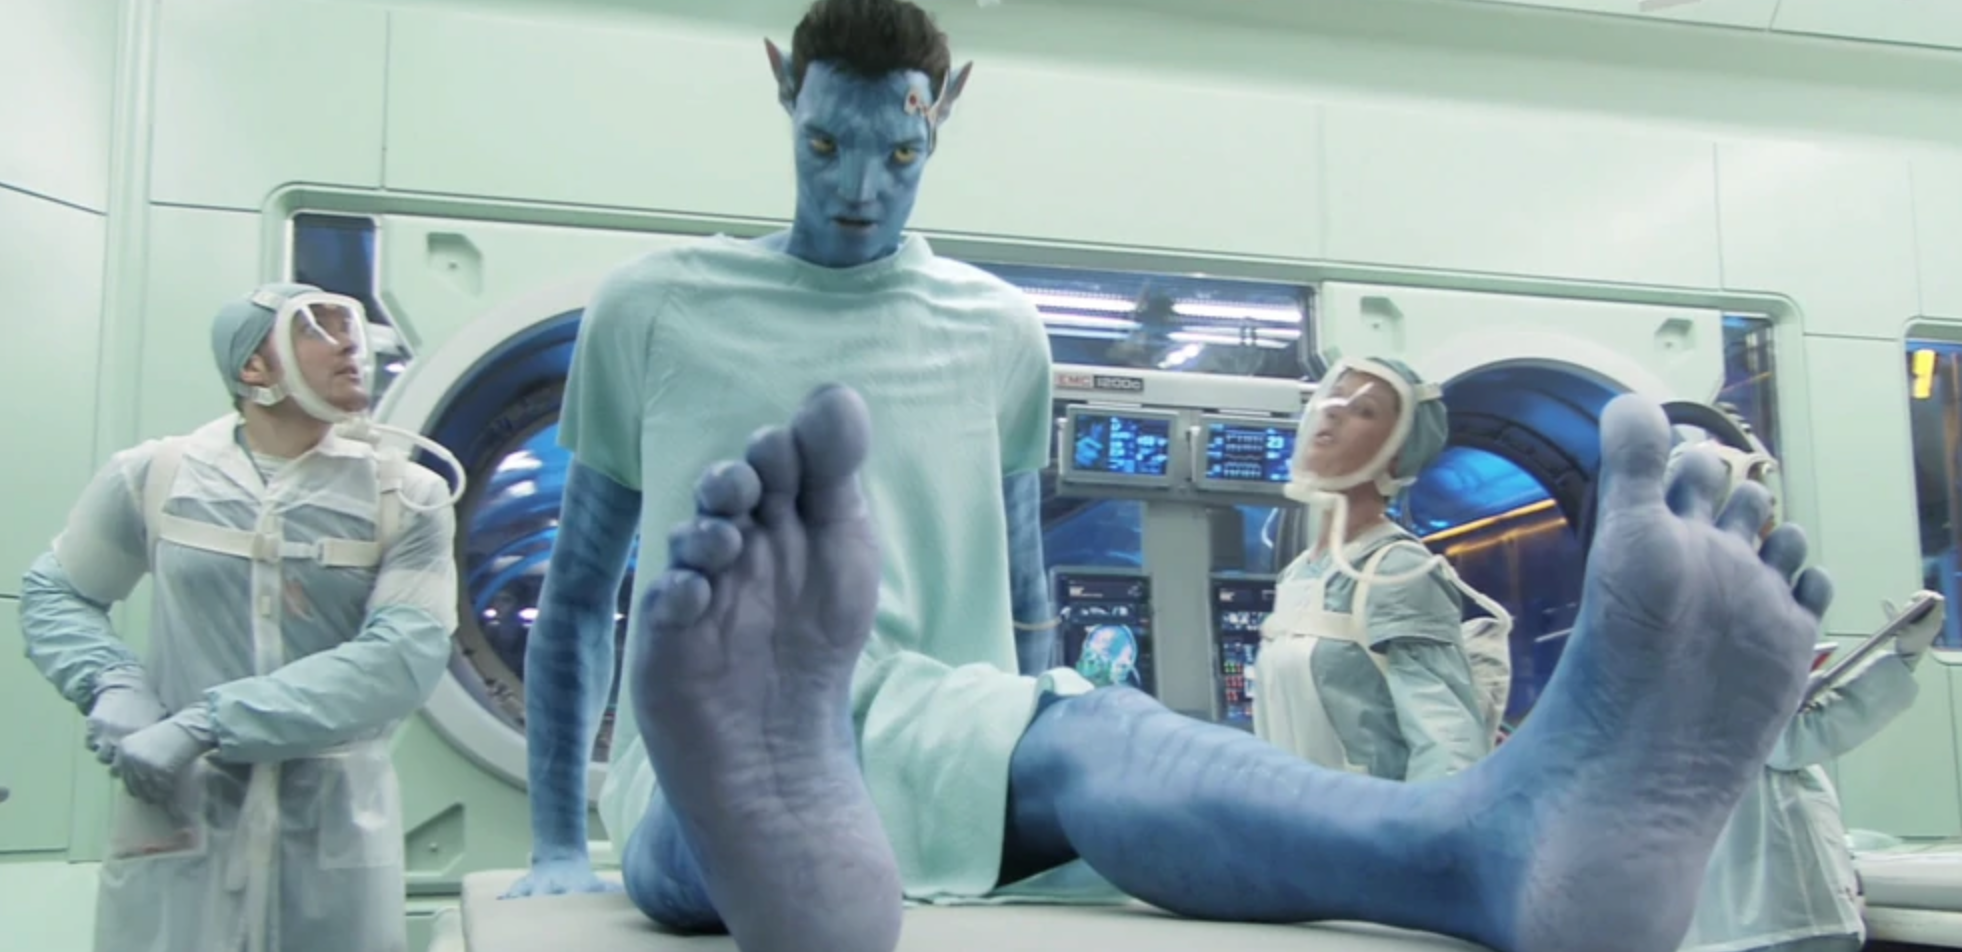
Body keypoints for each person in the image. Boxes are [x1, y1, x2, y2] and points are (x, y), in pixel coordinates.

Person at [501, 3, 1839, 952]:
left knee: (1108, 733)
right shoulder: (653, 307)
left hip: (936, 718)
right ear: (783, 94)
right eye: (826, 148)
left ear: (943, 120)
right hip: (710, 722)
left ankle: (1496, 846)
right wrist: (556, 838)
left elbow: (1023, 593)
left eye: (898, 156)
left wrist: (1042, 700)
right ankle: (767, 805)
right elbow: (575, 599)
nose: (859, 189)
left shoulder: (997, 329)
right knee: (702, 800)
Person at [18, 283, 464, 952]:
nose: (350, 343)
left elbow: (402, 657)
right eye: (317, 328)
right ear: (253, 367)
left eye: (351, 326)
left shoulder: (406, 495)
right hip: (178, 816)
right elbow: (55, 594)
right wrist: (110, 681)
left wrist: (206, 723)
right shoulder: (155, 476)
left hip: (331, 830)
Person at [1674, 439, 1943, 952]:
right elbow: (1786, 742)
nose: (1771, 525)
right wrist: (1903, 658)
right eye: (1759, 509)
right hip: (1778, 916)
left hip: (1728, 918)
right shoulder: (1722, 622)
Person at [1252, 356, 1508, 779]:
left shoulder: (1395, 569)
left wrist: (1423, 822)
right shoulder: (1299, 574)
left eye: (1363, 410)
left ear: (1397, 454)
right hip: (1290, 813)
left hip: (1366, 818)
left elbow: (1447, 747)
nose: (1334, 412)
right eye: (1333, 398)